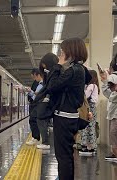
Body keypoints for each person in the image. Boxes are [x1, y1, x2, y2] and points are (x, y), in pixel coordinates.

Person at [46, 38, 91, 180]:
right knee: (67, 155)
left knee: (63, 157)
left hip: (64, 118)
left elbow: (52, 86)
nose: (61, 53)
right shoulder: (80, 69)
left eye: (63, 50)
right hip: (69, 117)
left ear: (71, 51)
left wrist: (58, 65)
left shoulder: (73, 70)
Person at [33, 53, 59, 150]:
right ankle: (45, 142)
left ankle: (45, 142)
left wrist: (45, 97)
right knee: (41, 119)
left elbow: (49, 88)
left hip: (48, 101)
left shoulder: (53, 73)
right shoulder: (53, 72)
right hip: (49, 100)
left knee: (40, 118)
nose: (43, 67)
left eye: (44, 64)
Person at [100, 54, 117, 162]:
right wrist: (106, 81)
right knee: (113, 133)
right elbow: (109, 94)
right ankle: (114, 153)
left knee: (113, 132)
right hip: (113, 112)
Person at [79, 70, 99, 156]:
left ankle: (88, 147)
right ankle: (91, 146)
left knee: (87, 126)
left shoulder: (91, 86)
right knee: (91, 126)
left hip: (89, 108)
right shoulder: (95, 86)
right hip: (93, 108)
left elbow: (85, 95)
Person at [26, 69, 43, 145]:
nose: (34, 79)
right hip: (35, 104)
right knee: (33, 120)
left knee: (33, 120)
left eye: (34, 77)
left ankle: (36, 138)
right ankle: (35, 137)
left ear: (38, 75)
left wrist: (31, 92)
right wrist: (30, 92)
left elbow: (38, 95)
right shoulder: (39, 83)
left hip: (37, 104)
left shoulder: (42, 84)